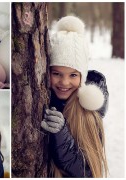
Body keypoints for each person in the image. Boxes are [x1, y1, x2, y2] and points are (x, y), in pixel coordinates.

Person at [40, 16, 109, 177]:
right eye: (56, 73)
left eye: (73, 75)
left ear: (82, 76)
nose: (64, 82)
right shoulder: (45, 98)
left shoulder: (89, 114)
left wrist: (61, 134)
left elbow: (87, 170)